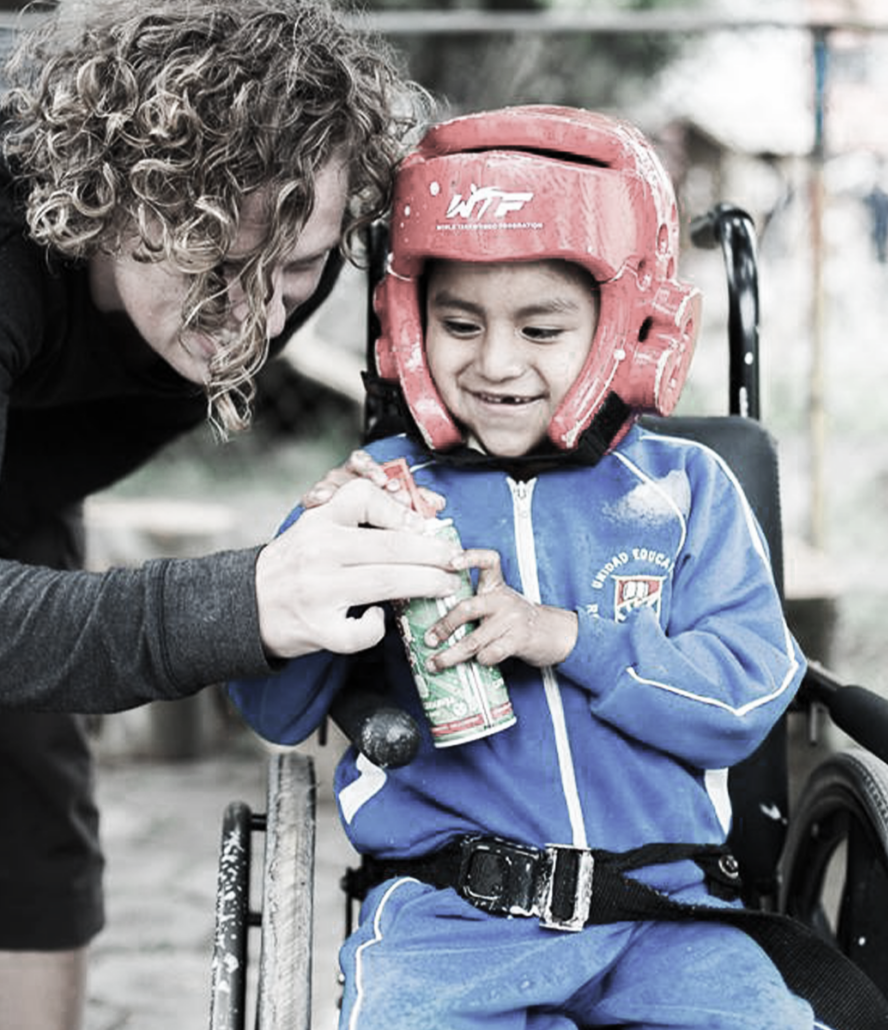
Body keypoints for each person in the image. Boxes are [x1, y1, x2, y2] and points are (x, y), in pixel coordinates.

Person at [229, 105, 814, 1030]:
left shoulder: (686, 491)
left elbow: (746, 694)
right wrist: (315, 562)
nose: (496, 363)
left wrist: (567, 638)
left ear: (622, 326)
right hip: (451, 922)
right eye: (459, 324)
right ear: (409, 322)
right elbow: (274, 711)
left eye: (542, 330)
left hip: (664, 916)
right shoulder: (378, 495)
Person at [0, 2, 464, 1027]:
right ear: (107, 197)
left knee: (32, 808)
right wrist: (242, 602)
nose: (255, 319)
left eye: (294, 268)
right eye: (214, 269)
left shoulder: (295, 239)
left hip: (23, 484)